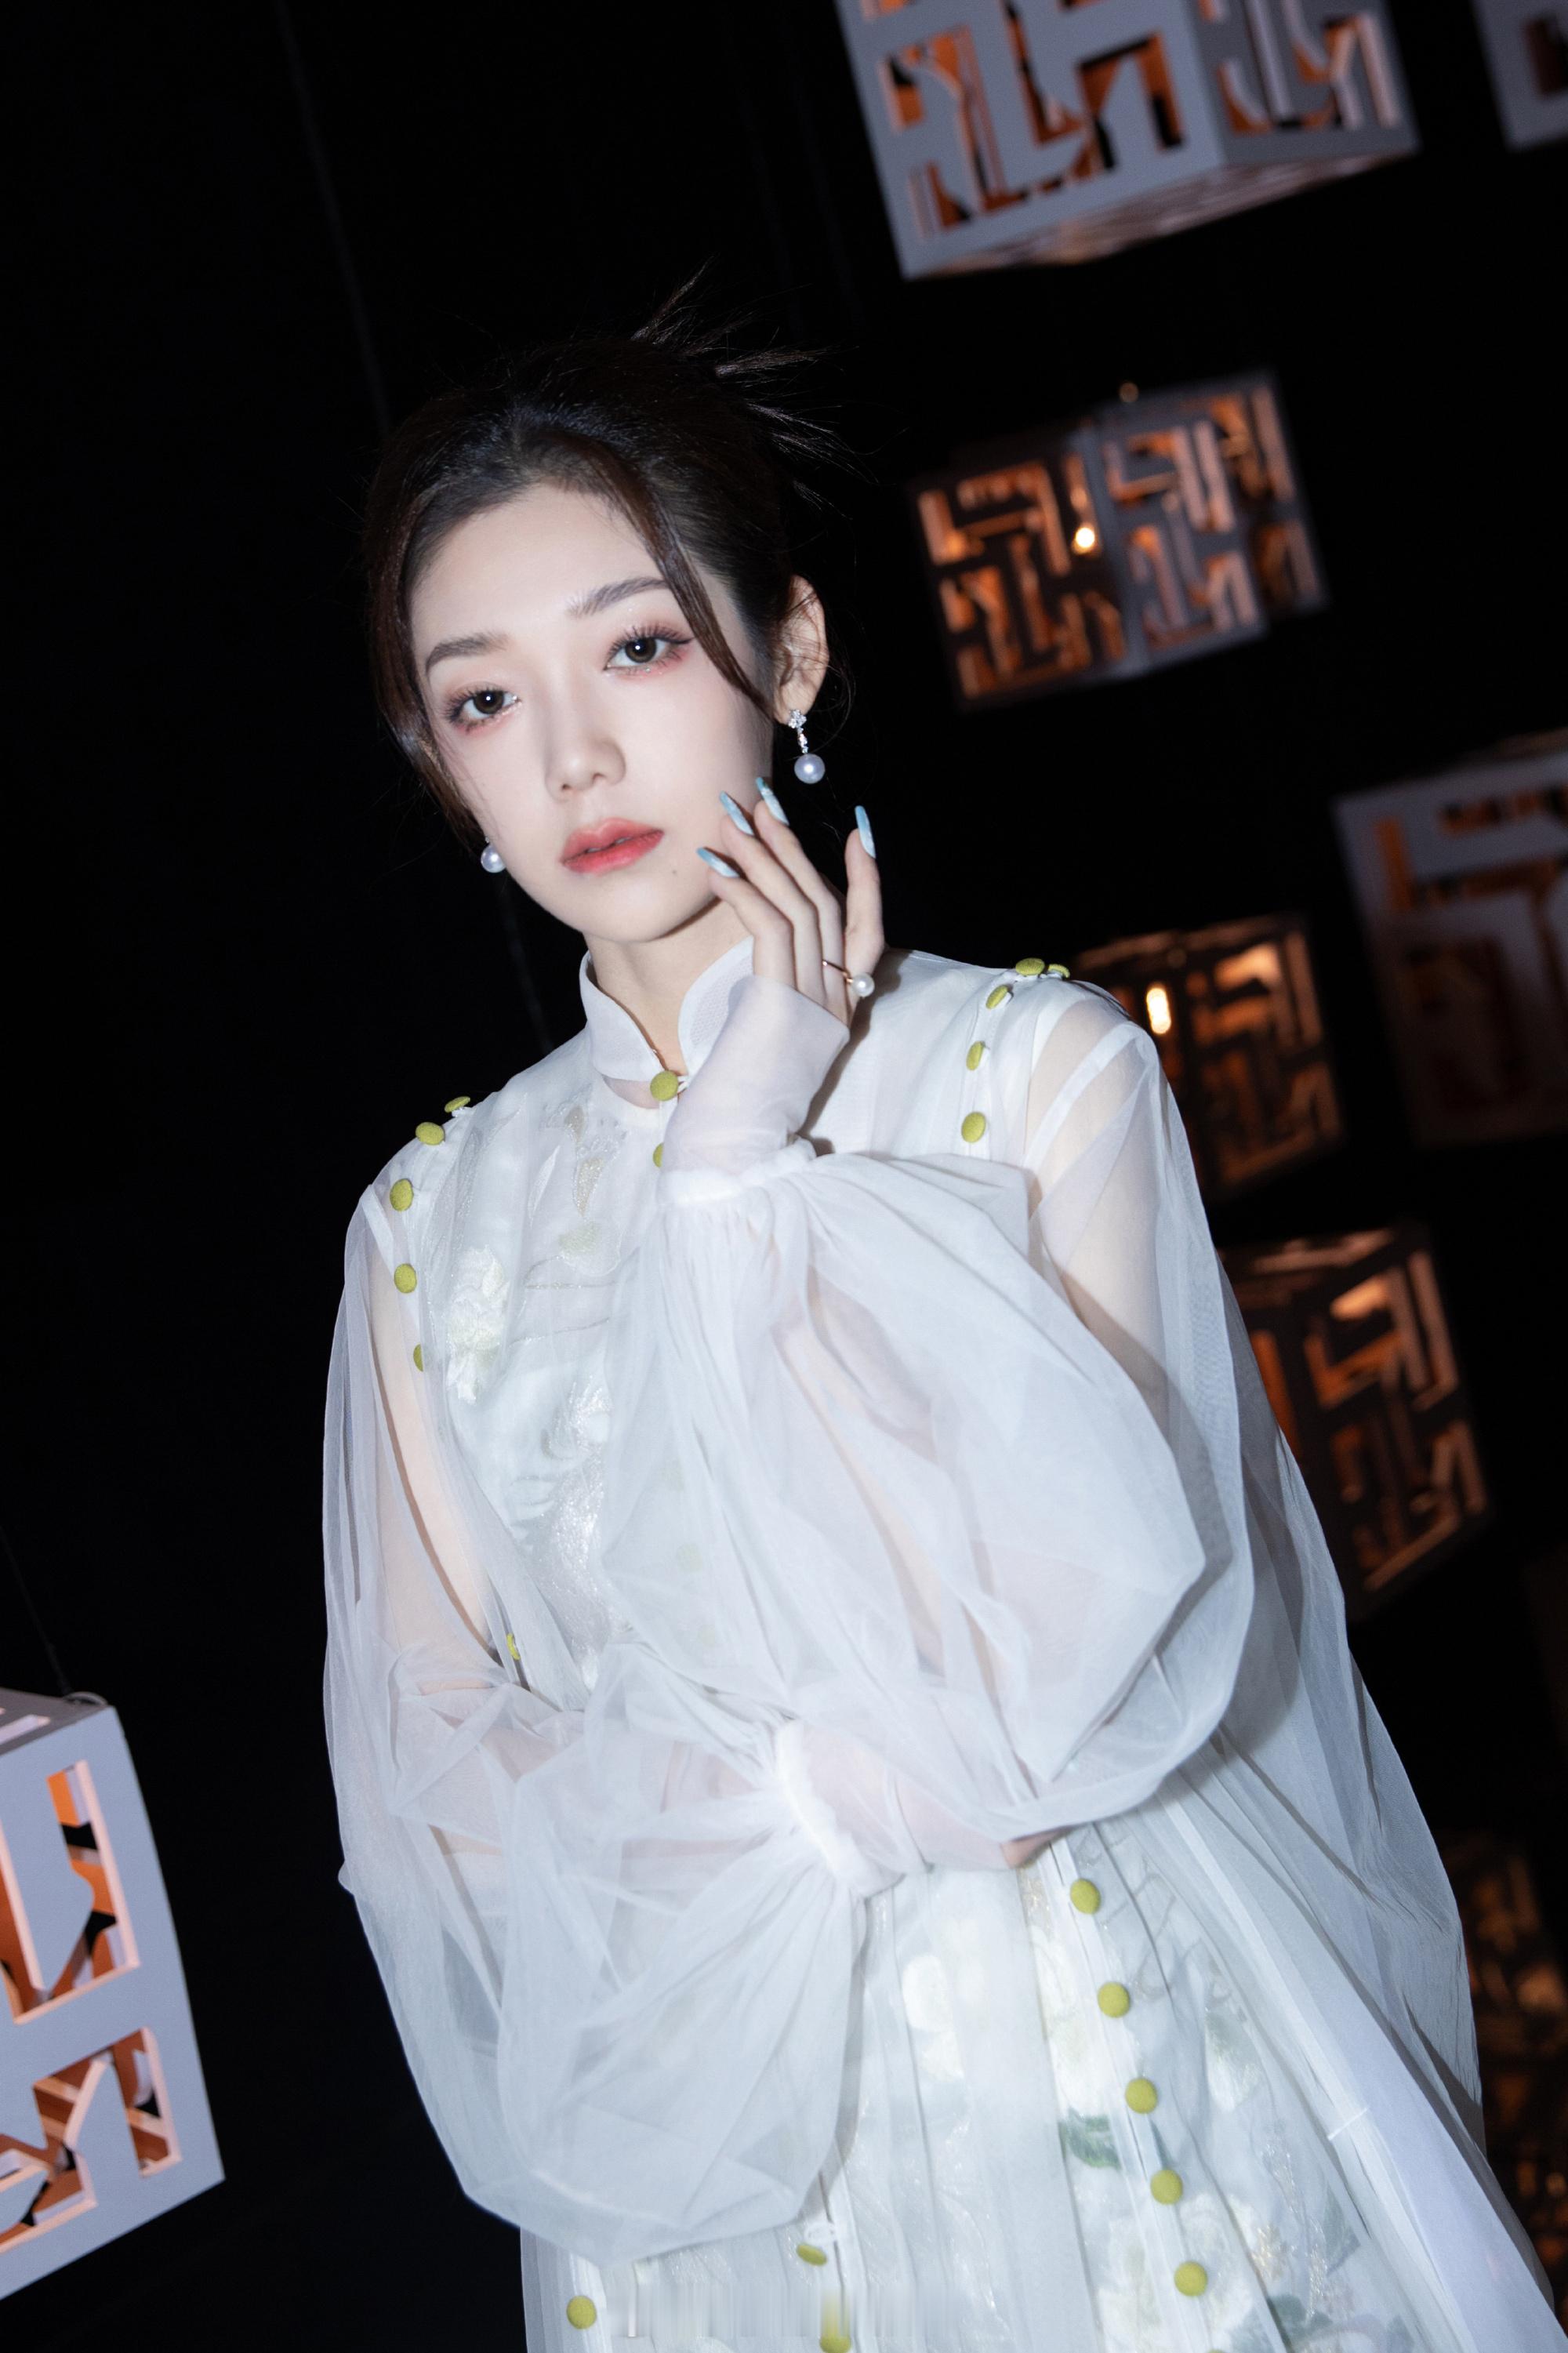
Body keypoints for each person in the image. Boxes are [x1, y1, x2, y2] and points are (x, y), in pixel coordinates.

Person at [320, 283, 1563, 2353]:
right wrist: (775, 1822)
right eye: (482, 699)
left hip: (1087, 2061)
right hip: (722, 2152)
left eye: (639, 647)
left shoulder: (1032, 1077)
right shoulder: (434, 1223)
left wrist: (737, 1183)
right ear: (439, 764)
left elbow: (1048, 1696)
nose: (573, 754)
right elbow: (438, 1786)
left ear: (793, 653)